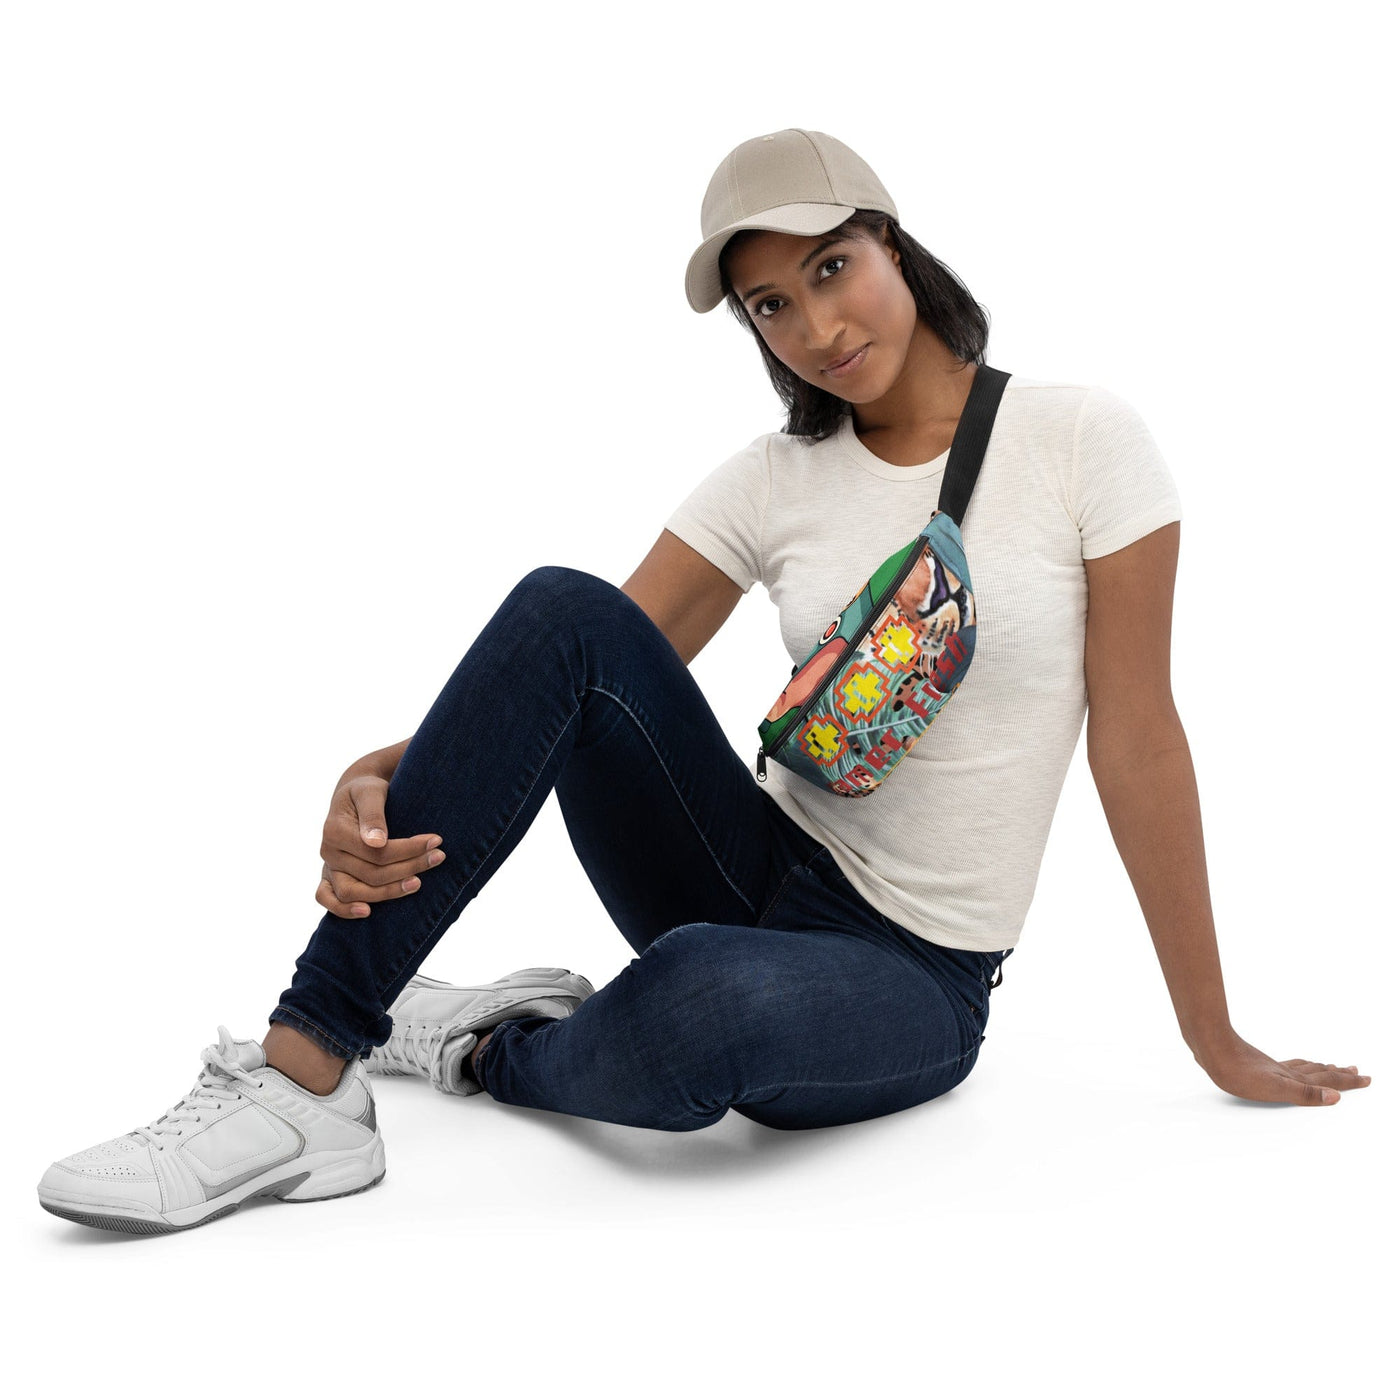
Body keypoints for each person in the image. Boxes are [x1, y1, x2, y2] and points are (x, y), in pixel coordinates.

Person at [38, 128, 1370, 1235]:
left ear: (894, 245)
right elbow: (569, 672)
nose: (816, 326)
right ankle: (304, 1070)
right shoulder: (771, 480)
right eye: (771, 305)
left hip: (915, 973)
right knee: (564, 606)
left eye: (832, 269)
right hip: (753, 866)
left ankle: (486, 1043)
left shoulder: (1083, 441)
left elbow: (1139, 736)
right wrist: (377, 773)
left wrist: (1214, 1035)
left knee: (702, 1003)